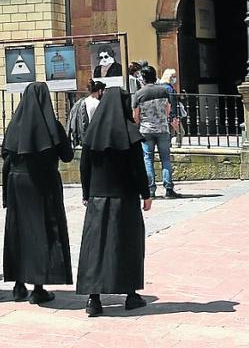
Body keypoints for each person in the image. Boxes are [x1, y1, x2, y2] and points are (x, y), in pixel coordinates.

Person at [77, 86, 151, 317]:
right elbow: (139, 169)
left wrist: (86, 193)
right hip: (125, 198)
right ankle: (130, 294)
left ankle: (94, 299)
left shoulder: (92, 132)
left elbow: (84, 166)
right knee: (127, 245)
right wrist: (145, 194)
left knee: (96, 248)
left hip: (98, 198)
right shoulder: (130, 133)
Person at [1, 82, 74, 305]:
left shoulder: (15, 124)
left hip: (17, 183)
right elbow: (68, 156)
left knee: (18, 230)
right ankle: (38, 287)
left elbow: (6, 152)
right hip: (43, 184)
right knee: (42, 230)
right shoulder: (52, 125)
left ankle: (18, 284)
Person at [133, 66, 181, 199]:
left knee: (148, 159)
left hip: (146, 129)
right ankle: (169, 189)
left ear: (143, 78)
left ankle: (150, 190)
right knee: (165, 159)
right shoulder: (164, 91)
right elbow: (167, 111)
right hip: (162, 128)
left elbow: (136, 116)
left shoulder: (139, 94)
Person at [68, 79, 104, 146]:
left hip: (83, 138)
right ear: (100, 91)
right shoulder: (99, 104)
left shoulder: (81, 102)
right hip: (96, 139)